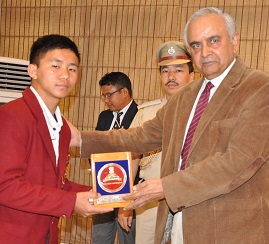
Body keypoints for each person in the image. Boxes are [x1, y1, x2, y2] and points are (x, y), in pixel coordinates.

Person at [71, 7, 269, 244]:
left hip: (229, 228)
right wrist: (80, 139)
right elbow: (139, 137)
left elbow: (236, 162)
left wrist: (166, 187)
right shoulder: (186, 96)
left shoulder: (259, 88)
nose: (205, 52)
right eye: (196, 45)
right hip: (177, 224)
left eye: (214, 40)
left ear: (235, 41)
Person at [0, 34, 113, 244]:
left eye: (72, 69)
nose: (65, 75)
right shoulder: (12, 115)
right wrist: (71, 202)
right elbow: (5, 186)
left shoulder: (61, 127)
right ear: (32, 70)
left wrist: (96, 193)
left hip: (46, 236)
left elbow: (53, 184)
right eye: (56, 66)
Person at [118, 41, 194, 244]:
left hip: (190, 200)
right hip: (150, 201)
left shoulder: (204, 114)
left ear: (192, 75)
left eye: (178, 70)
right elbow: (131, 159)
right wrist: (125, 204)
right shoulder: (146, 113)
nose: (171, 77)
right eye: (165, 71)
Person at [92, 71, 138, 244]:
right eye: (103, 96)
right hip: (103, 190)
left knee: (129, 239)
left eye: (109, 95)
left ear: (124, 91)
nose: (106, 100)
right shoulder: (104, 117)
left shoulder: (141, 115)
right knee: (100, 238)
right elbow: (95, 147)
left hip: (130, 193)